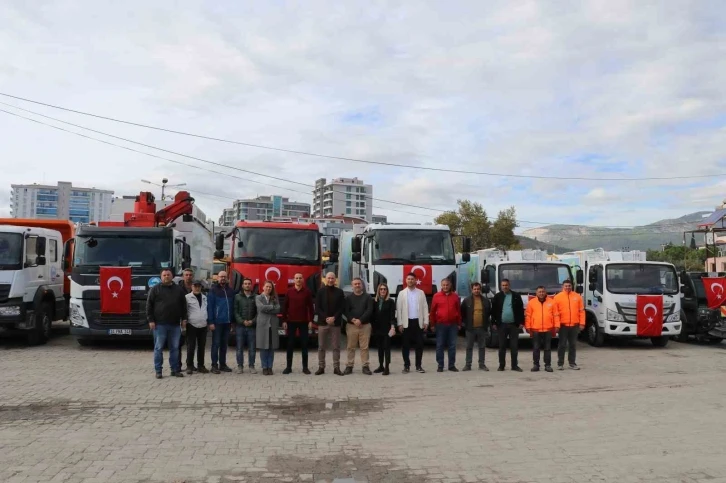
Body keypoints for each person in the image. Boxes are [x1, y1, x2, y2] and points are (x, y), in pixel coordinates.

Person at [146, 268, 188, 379]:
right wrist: (150, 320)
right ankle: (158, 371)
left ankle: (174, 370)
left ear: (172, 276)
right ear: (161, 277)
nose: (166, 277)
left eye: (168, 275)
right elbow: (149, 306)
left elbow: (184, 306)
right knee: (158, 348)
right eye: (164, 275)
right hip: (159, 325)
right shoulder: (155, 289)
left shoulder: (178, 290)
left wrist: (184, 319)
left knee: (174, 348)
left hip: (175, 325)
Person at [396, 272, 429, 373]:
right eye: (408, 279)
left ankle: (418, 366)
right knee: (406, 345)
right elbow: (399, 309)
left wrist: (426, 322)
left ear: (415, 281)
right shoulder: (402, 293)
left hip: (418, 322)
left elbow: (425, 307)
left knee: (419, 345)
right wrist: (400, 323)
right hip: (406, 323)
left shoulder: (421, 293)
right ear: (406, 281)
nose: (410, 281)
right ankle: (406, 366)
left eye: (412, 279)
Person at [282, 273, 315, 375]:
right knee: (290, 344)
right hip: (291, 322)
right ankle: (288, 367)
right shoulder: (289, 291)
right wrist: (284, 320)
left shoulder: (307, 292)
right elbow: (285, 307)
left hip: (304, 322)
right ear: (294, 280)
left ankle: (305, 367)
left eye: (300, 278)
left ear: (303, 279)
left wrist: (311, 320)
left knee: (304, 345)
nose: (298, 280)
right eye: (296, 278)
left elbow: (310, 307)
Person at [314, 272, 345, 376]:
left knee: (336, 346)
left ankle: (336, 368)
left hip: (335, 323)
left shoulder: (340, 292)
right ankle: (321, 367)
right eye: (329, 278)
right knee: (321, 346)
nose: (331, 280)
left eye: (332, 278)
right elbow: (317, 308)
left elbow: (342, 307)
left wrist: (334, 317)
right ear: (325, 279)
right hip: (323, 323)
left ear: (335, 280)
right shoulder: (320, 291)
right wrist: (326, 318)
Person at [491, 279, 525, 372]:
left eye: (506, 285)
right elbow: (493, 311)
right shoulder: (497, 297)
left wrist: (522, 322)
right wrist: (493, 323)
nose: (504, 287)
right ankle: (501, 366)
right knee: (502, 346)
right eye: (503, 285)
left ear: (509, 285)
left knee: (514, 346)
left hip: (514, 325)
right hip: (501, 325)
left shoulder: (516, 296)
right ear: (501, 286)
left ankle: (514, 366)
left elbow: (521, 310)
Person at [207, 271, 236, 374]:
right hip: (217, 322)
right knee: (216, 344)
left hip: (227, 323)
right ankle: (214, 365)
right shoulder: (213, 290)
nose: (223, 278)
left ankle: (222, 364)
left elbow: (233, 308)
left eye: (224, 277)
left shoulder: (231, 291)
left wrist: (232, 321)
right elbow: (209, 307)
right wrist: (210, 322)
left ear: (227, 278)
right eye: (221, 277)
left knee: (224, 345)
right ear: (217, 278)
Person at [430, 278, 461, 372]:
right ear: (441, 285)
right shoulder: (436, 296)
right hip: (440, 325)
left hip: (453, 325)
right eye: (443, 285)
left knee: (452, 345)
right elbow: (432, 311)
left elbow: (458, 311)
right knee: (440, 345)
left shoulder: (455, 296)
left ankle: (451, 365)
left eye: (447, 285)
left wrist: (459, 323)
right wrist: (432, 324)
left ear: (450, 285)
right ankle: (440, 365)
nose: (445, 287)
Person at [525, 286, 559, 373]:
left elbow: (556, 315)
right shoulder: (531, 302)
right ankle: (536, 365)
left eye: (543, 291)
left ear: (545, 292)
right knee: (536, 348)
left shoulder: (552, 302)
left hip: (548, 329)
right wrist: (528, 327)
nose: (541, 293)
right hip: (536, 329)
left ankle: (547, 365)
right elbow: (528, 316)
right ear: (536, 293)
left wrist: (557, 326)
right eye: (539, 292)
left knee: (547, 348)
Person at [344, 278, 374, 375]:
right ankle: (349, 366)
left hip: (365, 326)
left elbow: (369, 310)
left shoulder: (368, 297)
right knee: (350, 347)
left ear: (362, 285)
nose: (357, 285)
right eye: (355, 284)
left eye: (359, 284)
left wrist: (360, 320)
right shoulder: (348, 298)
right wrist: (353, 319)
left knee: (364, 347)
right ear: (352, 286)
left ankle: (365, 366)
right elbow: (345, 311)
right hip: (351, 326)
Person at [553, 279, 585, 370]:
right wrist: (557, 325)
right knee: (562, 345)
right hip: (563, 325)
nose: (568, 287)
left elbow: (581, 311)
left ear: (572, 286)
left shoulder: (577, 297)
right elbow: (555, 313)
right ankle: (560, 364)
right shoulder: (557, 297)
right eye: (566, 286)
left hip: (574, 325)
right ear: (562, 287)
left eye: (569, 286)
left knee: (573, 345)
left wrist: (582, 323)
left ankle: (572, 363)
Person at [460, 282, 491, 371]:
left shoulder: (485, 300)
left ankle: (482, 364)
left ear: (480, 289)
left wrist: (487, 324)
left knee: (482, 347)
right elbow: (462, 313)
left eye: (478, 289)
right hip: (470, 328)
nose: (476, 291)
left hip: (482, 327)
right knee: (469, 347)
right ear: (472, 289)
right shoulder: (466, 300)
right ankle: (468, 365)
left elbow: (488, 313)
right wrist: (465, 324)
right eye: (475, 289)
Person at [256, 280, 281, 375]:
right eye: (267, 286)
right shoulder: (258, 297)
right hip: (262, 325)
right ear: (263, 287)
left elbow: (278, 309)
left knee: (271, 347)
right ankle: (264, 367)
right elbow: (260, 308)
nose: (268, 288)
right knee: (263, 347)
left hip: (272, 325)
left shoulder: (274, 298)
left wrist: (267, 308)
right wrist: (271, 307)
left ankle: (270, 367)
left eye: (270, 287)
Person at [185, 279, 209, 375]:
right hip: (192, 325)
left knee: (201, 347)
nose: (197, 288)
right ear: (192, 287)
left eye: (199, 286)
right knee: (191, 346)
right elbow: (184, 311)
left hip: (203, 325)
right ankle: (189, 366)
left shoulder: (205, 297)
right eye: (195, 286)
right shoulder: (187, 297)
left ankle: (201, 366)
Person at [234, 278, 257, 374]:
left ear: (251, 285)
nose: (247, 285)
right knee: (239, 348)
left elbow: (258, 313)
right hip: (240, 326)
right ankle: (240, 366)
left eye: (249, 283)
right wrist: (242, 321)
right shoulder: (237, 297)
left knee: (252, 348)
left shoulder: (256, 297)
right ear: (242, 285)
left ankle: (251, 366)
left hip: (252, 326)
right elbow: (235, 311)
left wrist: (253, 321)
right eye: (245, 284)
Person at [372, 283, 396, 375]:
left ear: (387, 291)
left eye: (384, 289)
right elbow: (372, 315)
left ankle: (387, 367)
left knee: (386, 348)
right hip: (377, 329)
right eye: (381, 289)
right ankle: (381, 366)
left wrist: (392, 327)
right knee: (380, 348)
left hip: (387, 329)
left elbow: (392, 316)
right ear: (378, 290)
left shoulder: (390, 301)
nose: (383, 291)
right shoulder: (374, 301)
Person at [177, 268, 194, 370]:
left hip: (192, 320)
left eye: (190, 275)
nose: (188, 276)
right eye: (186, 275)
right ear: (183, 276)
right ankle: (177, 365)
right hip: (180, 320)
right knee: (178, 344)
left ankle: (190, 365)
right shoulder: (177, 288)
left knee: (190, 344)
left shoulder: (196, 287)